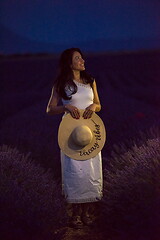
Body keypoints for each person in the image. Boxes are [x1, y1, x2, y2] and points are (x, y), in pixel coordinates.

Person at [46, 48, 103, 228]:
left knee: (90, 171)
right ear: (69, 63)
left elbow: (99, 105)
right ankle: (75, 215)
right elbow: (49, 109)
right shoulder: (61, 83)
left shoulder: (90, 81)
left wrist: (94, 106)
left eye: (82, 57)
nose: (82, 60)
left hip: (89, 134)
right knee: (74, 173)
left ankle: (86, 213)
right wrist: (65, 108)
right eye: (77, 58)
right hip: (72, 134)